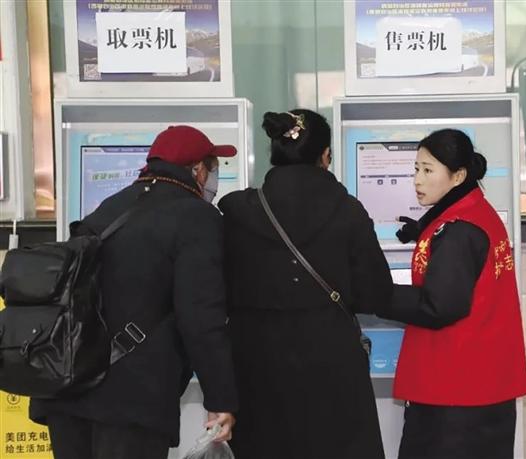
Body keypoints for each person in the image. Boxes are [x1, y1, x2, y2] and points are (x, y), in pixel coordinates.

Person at [29, 125, 239, 459]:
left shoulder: (109, 207)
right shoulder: (197, 217)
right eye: (214, 168)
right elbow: (201, 317)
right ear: (198, 169)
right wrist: (220, 399)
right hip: (131, 399)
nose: (214, 178)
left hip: (68, 389)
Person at [219, 109, 391, 459]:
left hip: (256, 364)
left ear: (274, 153)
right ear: (325, 155)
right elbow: (375, 292)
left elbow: (218, 286)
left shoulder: (237, 211)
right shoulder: (349, 210)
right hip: (332, 361)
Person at [378, 129, 526, 459]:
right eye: (416, 169)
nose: (417, 180)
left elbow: (441, 306)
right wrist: (422, 230)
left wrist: (377, 296)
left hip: (454, 397)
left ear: (458, 176)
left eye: (428, 170)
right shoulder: (476, 213)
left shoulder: (459, 232)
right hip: (481, 389)